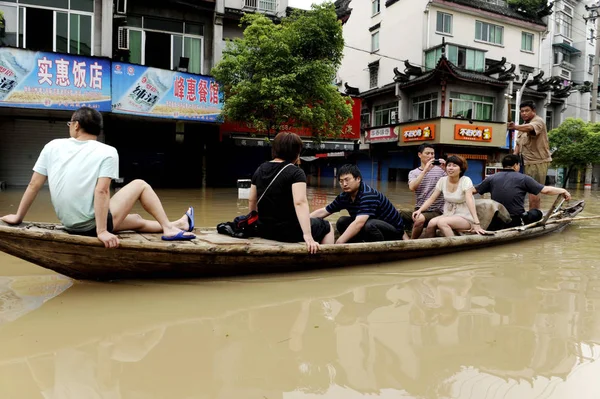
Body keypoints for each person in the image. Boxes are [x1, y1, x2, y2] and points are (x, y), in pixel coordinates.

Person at [0, 107, 195, 248]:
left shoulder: (52, 146)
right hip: (92, 226)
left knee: (135, 220)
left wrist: (18, 217)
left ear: (76, 126)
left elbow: (34, 184)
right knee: (140, 184)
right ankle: (169, 228)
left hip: (71, 224)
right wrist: (102, 231)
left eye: (70, 123)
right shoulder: (108, 151)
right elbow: (101, 191)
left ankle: (179, 224)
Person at [249, 132, 334, 254]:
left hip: (263, 229)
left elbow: (252, 200)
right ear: (296, 152)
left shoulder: (260, 168)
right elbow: (300, 202)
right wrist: (308, 236)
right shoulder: (295, 172)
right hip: (288, 232)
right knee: (326, 226)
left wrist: (253, 225)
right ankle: (326, 262)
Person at [310, 164, 408, 243]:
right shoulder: (345, 196)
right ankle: (356, 245)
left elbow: (359, 223)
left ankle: (377, 253)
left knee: (369, 225)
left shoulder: (368, 195)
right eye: (341, 181)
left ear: (358, 179)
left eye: (347, 180)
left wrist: (339, 243)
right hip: (371, 228)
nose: (344, 184)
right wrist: (304, 221)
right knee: (341, 221)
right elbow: (324, 211)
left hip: (394, 232)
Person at [474, 154, 571, 231]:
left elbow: (473, 191)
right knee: (537, 213)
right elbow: (546, 190)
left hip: (496, 219)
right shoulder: (523, 178)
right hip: (515, 221)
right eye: (519, 165)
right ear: (516, 165)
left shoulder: (491, 178)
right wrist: (563, 190)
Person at [413, 155, 485, 237]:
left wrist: (476, 222)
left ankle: (454, 246)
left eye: (455, 166)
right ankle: (431, 246)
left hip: (464, 216)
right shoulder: (442, 180)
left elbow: (470, 200)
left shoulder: (465, 180)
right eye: (449, 165)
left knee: (442, 222)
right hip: (448, 214)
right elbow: (431, 199)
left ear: (461, 169)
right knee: (431, 223)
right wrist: (420, 210)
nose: (450, 168)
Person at [509, 100, 552, 210]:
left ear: (533, 111)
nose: (524, 113)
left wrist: (515, 127)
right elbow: (518, 144)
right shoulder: (522, 126)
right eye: (522, 111)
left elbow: (531, 128)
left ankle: (534, 215)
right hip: (523, 162)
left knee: (534, 191)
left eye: (527, 111)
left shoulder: (538, 121)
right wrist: (513, 160)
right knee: (518, 188)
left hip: (536, 162)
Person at [407, 143, 446, 239]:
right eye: (427, 153)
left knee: (419, 219)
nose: (430, 156)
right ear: (420, 155)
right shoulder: (413, 173)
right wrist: (425, 171)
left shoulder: (441, 170)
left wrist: (446, 169)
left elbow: (452, 184)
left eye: (432, 154)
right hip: (419, 208)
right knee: (396, 213)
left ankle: (411, 243)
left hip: (436, 210)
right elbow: (412, 187)